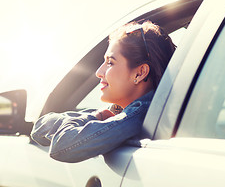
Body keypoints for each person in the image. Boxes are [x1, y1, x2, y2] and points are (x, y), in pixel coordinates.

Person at [31, 20, 176, 163]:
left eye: (110, 62)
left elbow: (61, 146)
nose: (99, 72)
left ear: (139, 73)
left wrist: (94, 118)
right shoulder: (121, 112)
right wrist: (97, 116)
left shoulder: (137, 116)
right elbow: (38, 129)